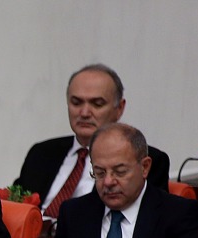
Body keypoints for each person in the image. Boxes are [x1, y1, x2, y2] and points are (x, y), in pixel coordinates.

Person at [49, 123, 198, 238]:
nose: (108, 182)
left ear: (145, 167)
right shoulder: (74, 214)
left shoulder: (180, 215)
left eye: (120, 172)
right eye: (100, 172)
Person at [13, 64, 170, 219]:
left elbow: (145, 221)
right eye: (76, 102)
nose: (84, 113)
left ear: (119, 108)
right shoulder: (42, 152)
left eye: (97, 104)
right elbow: (15, 205)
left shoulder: (143, 158)